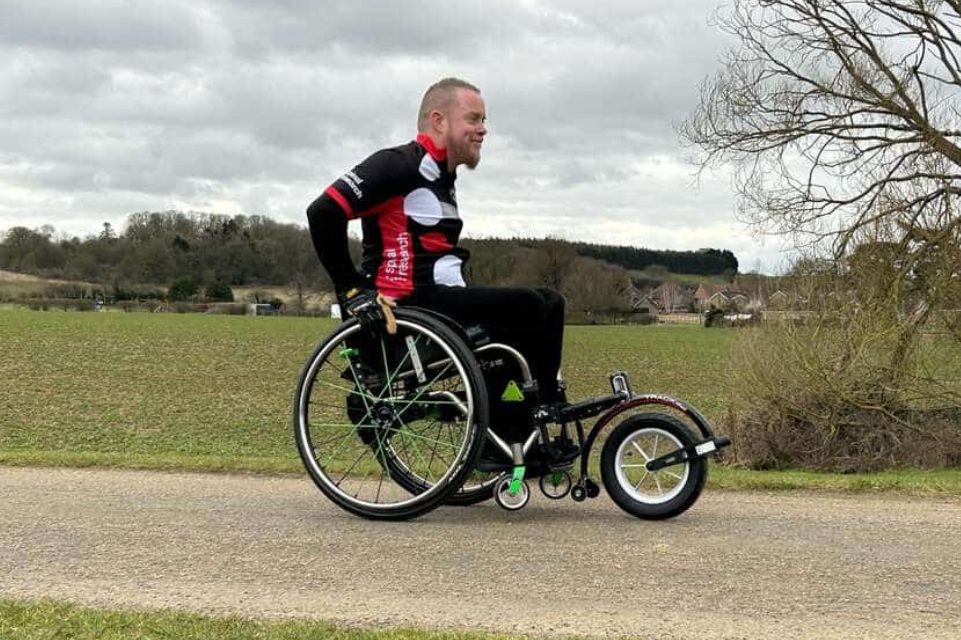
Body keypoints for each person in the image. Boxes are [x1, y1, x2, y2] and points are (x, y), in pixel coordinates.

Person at [306, 78, 566, 421]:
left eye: (484, 120)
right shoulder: (397, 164)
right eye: (473, 119)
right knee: (530, 306)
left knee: (550, 303)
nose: (483, 130)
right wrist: (352, 288)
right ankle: (536, 412)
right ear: (438, 120)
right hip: (408, 301)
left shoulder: (443, 178)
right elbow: (323, 212)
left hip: (442, 300)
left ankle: (527, 415)